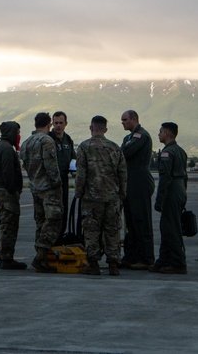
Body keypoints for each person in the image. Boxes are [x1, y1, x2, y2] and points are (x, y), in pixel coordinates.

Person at [73, 115, 127, 276]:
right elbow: (122, 173)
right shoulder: (115, 147)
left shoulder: (84, 147)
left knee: (91, 231)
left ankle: (94, 264)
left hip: (91, 198)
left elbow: (81, 173)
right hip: (112, 198)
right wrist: (122, 194)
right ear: (105, 130)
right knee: (112, 231)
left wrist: (78, 193)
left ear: (91, 128)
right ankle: (113, 264)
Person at [19, 111, 62, 272]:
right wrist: (57, 183)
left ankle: (41, 256)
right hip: (48, 188)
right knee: (53, 221)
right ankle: (41, 255)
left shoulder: (26, 143)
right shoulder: (46, 141)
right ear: (49, 124)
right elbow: (51, 166)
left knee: (40, 222)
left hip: (35, 187)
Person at [151, 121, 188, 274]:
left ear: (167, 133)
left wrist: (159, 200)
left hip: (171, 189)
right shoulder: (180, 151)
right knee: (167, 226)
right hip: (179, 189)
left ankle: (177, 263)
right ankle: (163, 260)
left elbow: (165, 177)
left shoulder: (167, 152)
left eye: (160, 131)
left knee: (171, 228)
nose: (159, 134)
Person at [120, 109, 155, 270]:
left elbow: (125, 152)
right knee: (131, 222)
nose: (123, 122)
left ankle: (146, 258)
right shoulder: (128, 137)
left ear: (134, 119)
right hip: (130, 182)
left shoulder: (141, 135)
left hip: (139, 181)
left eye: (125, 120)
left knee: (142, 220)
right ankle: (131, 256)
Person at [0, 121, 27, 270]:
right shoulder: (6, 149)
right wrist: (14, 190)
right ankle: (6, 258)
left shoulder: (1, 146)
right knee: (8, 226)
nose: (18, 136)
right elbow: (8, 173)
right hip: (7, 193)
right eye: (17, 132)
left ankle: (4, 255)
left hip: (2, 192)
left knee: (3, 224)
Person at [50, 111, 77, 244]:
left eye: (61, 123)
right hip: (51, 183)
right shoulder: (48, 139)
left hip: (64, 180)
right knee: (52, 213)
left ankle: (61, 238)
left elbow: (73, 158)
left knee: (64, 210)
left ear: (66, 124)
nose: (58, 126)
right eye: (56, 123)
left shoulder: (68, 139)